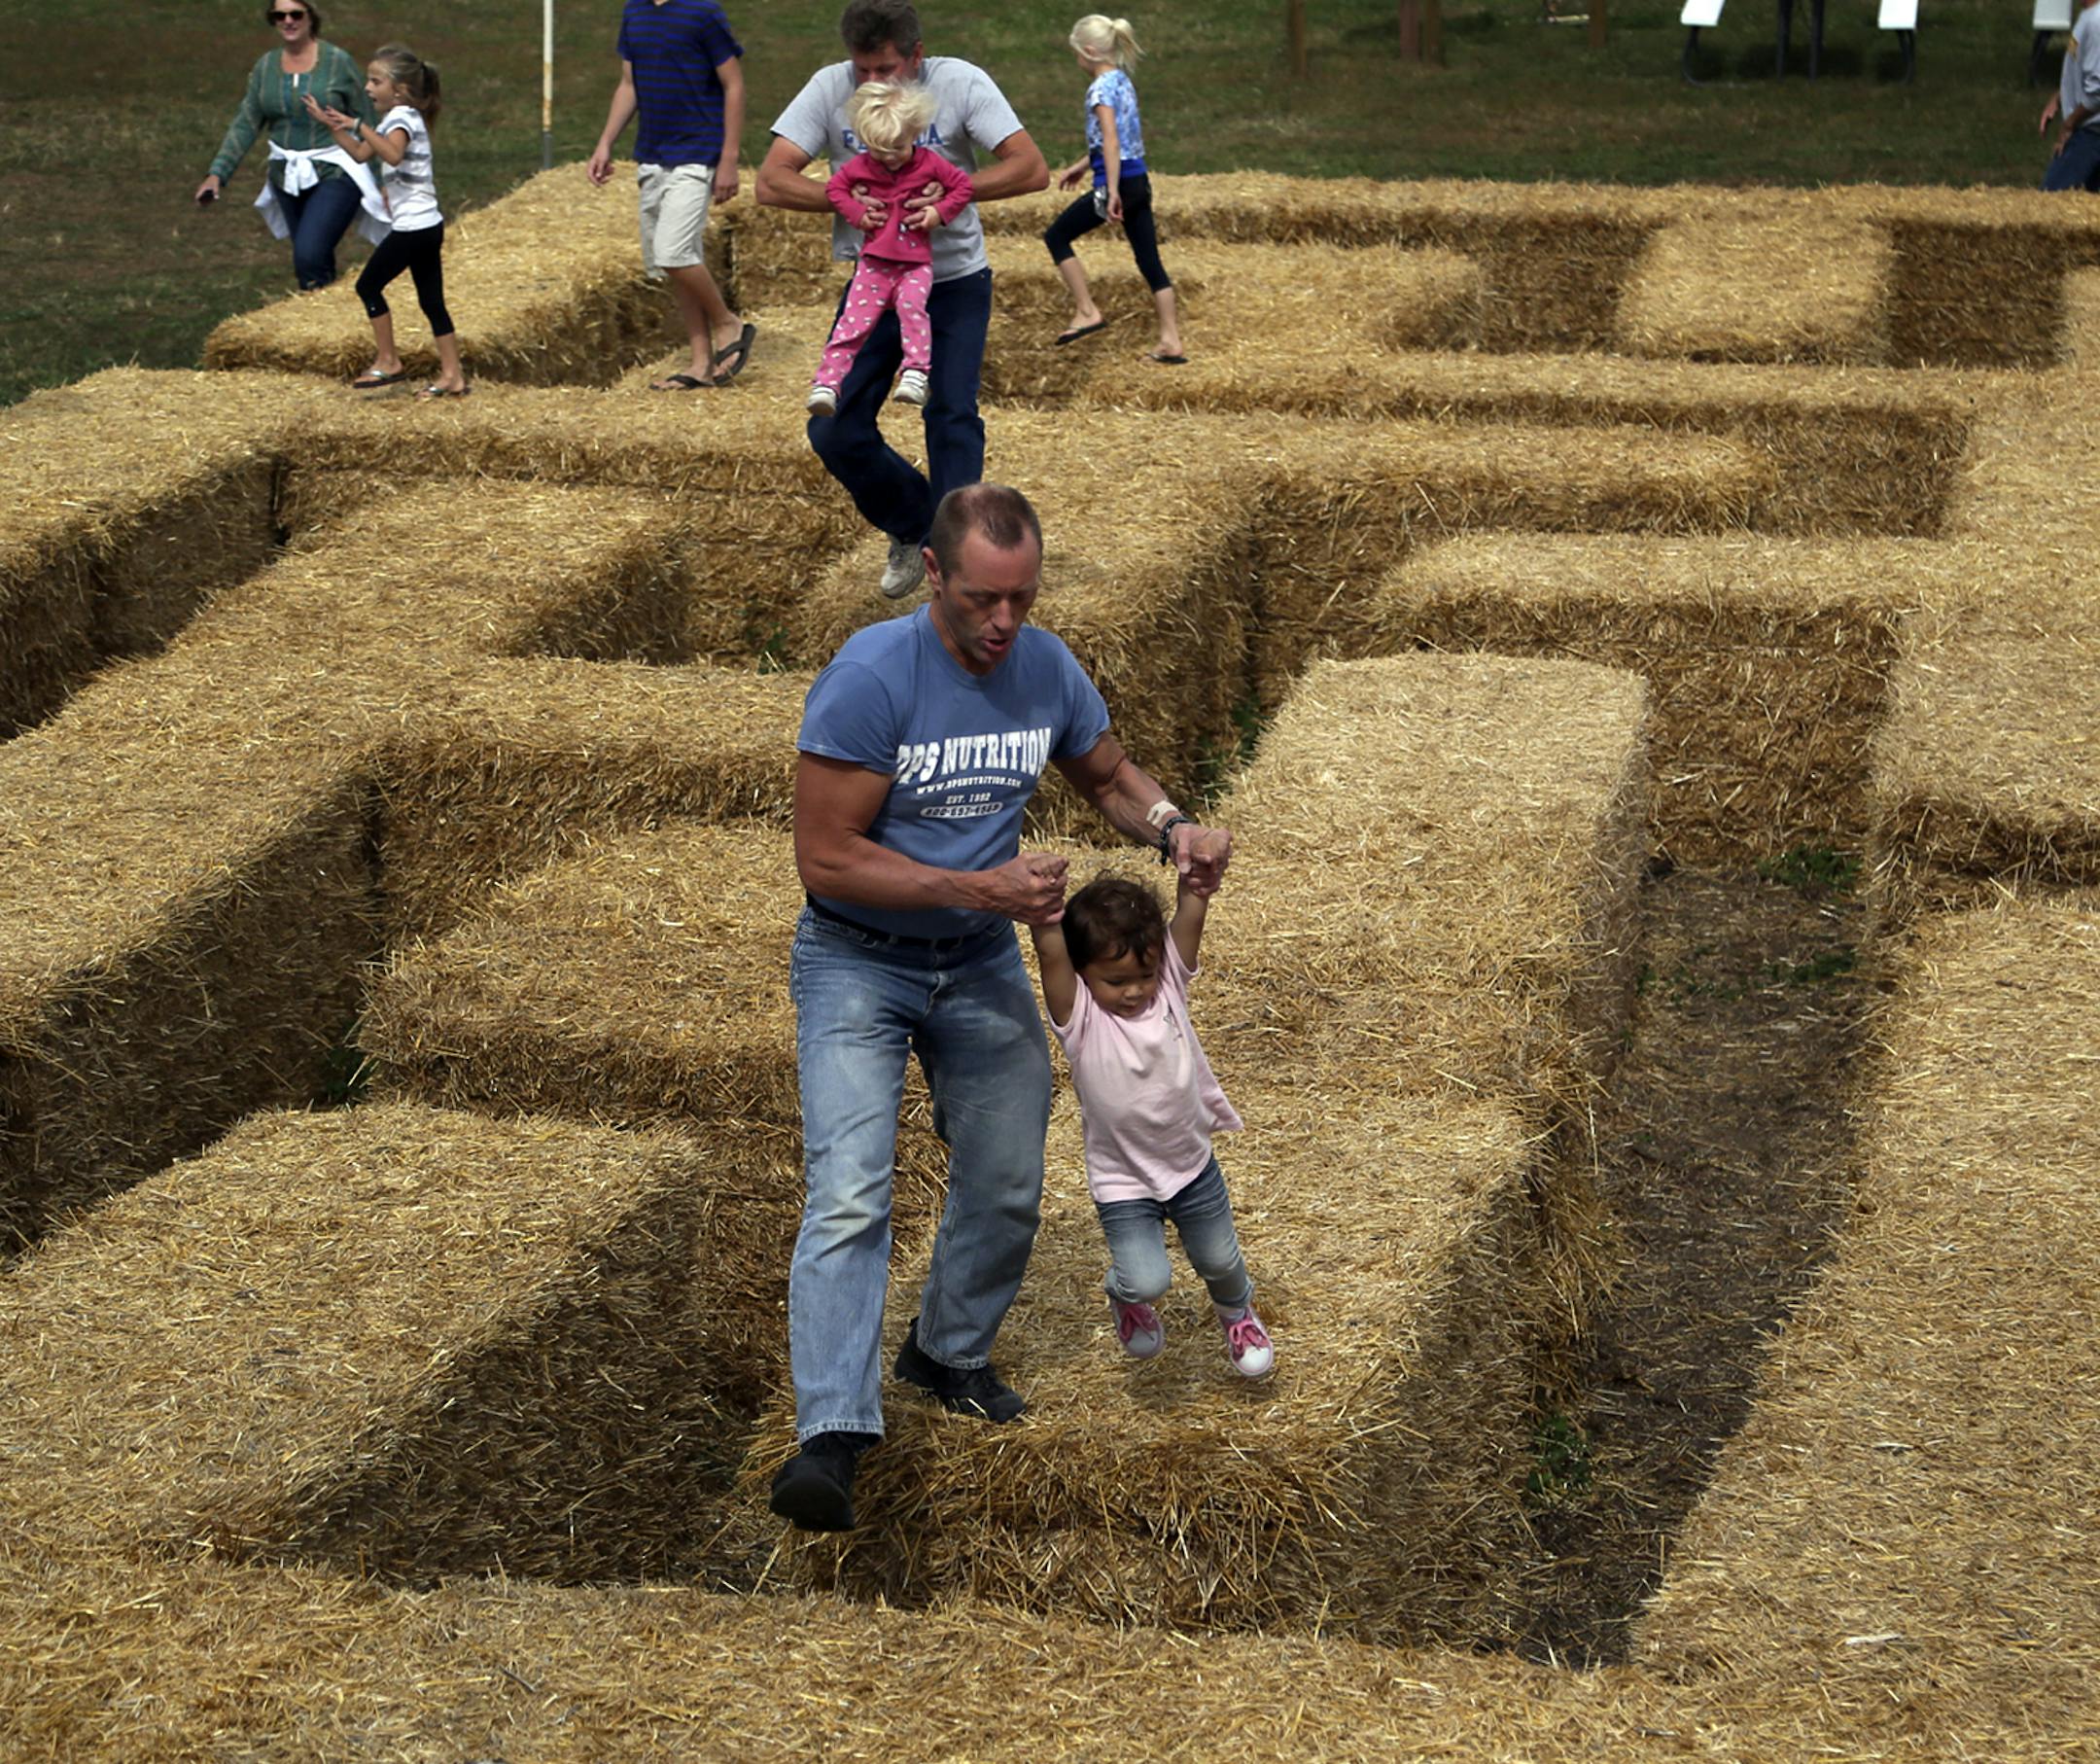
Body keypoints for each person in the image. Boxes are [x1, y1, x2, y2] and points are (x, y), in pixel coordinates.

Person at [769, 482, 1233, 1534]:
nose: (1005, 622)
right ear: (934, 574)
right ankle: (831, 1436)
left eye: (1023, 598)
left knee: (1011, 1176)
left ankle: (945, 1351)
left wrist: (1171, 826)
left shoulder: (1044, 666)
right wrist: (978, 886)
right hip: (857, 961)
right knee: (851, 1188)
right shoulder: (869, 678)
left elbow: (1106, 773)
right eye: (985, 598)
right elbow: (825, 856)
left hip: (975, 960)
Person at [758, 0, 1049, 600]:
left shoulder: (962, 82)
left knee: (950, 416)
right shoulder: (828, 88)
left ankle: (961, 569)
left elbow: (1030, 168)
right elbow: (772, 178)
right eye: (862, 69)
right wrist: (848, 203)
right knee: (832, 429)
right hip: (876, 280)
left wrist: (953, 196)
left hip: (954, 282)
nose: (871, 82)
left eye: (886, 68)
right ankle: (921, 527)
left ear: (917, 56)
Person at [1029, 874, 1273, 1379]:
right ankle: (1125, 1298)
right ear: (1083, 973)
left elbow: (1189, 922)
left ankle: (1237, 1315)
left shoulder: (1167, 990)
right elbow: (1051, 956)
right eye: (1116, 981)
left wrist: (1197, 887)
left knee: (1221, 1262)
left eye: (1144, 975)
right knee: (1146, 1280)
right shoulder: (1081, 1019)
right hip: (1124, 1184)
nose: (1134, 991)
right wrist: (1042, 914)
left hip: (1190, 1166)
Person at [586, 0, 756, 391]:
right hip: (652, 157)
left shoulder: (703, 12)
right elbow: (629, 84)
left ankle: (728, 322)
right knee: (675, 265)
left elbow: (734, 85)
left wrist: (728, 159)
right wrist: (605, 142)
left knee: (674, 252)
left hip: (696, 156)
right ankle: (699, 363)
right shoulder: (634, 13)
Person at [304, 47, 468, 398]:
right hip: (428, 225)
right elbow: (363, 154)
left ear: (399, 89)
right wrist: (333, 126)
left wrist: (357, 124)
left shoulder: (402, 119)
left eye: (375, 81)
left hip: (413, 228)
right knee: (431, 302)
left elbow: (391, 153)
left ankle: (389, 361)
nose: (367, 88)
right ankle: (453, 376)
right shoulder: (397, 119)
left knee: (368, 286)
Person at [808, 83, 976, 417]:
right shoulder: (862, 166)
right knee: (853, 322)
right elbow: (835, 188)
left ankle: (915, 372)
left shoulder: (931, 164)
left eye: (896, 148)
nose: (887, 157)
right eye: (877, 149)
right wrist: (857, 214)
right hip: (873, 263)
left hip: (915, 264)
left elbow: (963, 186)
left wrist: (938, 212)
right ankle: (827, 382)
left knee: (913, 310)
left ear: (916, 132)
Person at [194, 2, 380, 291]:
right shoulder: (266, 66)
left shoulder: (338, 62)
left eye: (296, 14)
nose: (288, 21)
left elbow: (368, 120)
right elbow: (246, 122)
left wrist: (384, 181)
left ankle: (324, 321)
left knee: (309, 252)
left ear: (310, 17)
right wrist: (217, 174)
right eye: (280, 15)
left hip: (336, 168)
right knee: (311, 261)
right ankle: (322, 324)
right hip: (286, 176)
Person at [1044, 16, 1183, 365]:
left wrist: (1110, 188)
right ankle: (1171, 341)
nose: (1076, 60)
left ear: (1089, 52)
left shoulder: (1099, 89)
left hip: (1119, 184)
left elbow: (1110, 138)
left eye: (1076, 53)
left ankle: (1087, 310)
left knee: (1056, 236)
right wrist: (1083, 164)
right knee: (1149, 260)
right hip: (1139, 181)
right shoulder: (1122, 80)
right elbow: (1118, 139)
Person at [2042, 0, 2100, 192]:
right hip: (2088, 133)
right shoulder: (2088, 16)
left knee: (2048, 206)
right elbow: (2084, 69)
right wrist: (2060, 97)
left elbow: (2097, 91)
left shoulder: (2096, 23)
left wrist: (2068, 125)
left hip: (2088, 135)